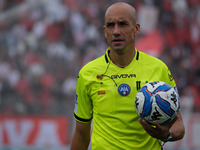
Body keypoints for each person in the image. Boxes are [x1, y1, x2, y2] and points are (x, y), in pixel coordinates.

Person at [70, 2, 185, 150]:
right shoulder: (87, 73)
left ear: (136, 29)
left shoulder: (158, 68)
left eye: (123, 24)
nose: (116, 31)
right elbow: (81, 133)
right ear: (105, 31)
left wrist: (167, 134)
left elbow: (179, 124)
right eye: (111, 25)